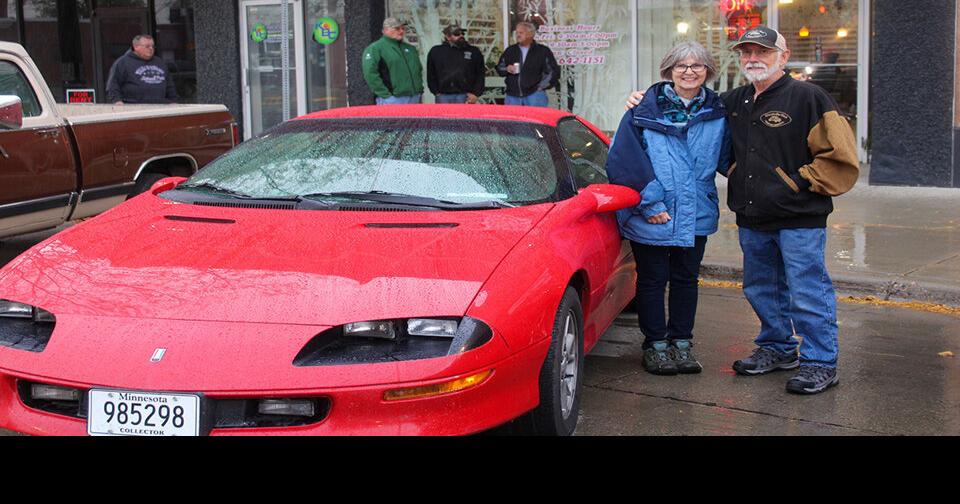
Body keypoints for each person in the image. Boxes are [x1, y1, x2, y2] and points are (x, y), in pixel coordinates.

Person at [626, 27, 859, 394]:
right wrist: (645, 98)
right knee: (762, 289)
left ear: (782, 56)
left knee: (807, 291)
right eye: (747, 52)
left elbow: (841, 157)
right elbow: (687, 104)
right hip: (753, 217)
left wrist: (796, 181)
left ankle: (820, 362)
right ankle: (777, 348)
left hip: (800, 216)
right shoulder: (732, 101)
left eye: (763, 52)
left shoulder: (809, 97)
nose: (754, 58)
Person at [606, 42, 730, 376]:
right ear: (668, 70)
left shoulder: (718, 111)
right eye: (681, 65)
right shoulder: (643, 110)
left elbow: (730, 158)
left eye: (697, 65)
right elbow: (623, 160)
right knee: (651, 281)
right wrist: (650, 203)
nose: (689, 71)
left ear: (708, 71)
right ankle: (655, 345)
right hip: (653, 213)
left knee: (686, 280)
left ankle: (682, 343)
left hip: (696, 214)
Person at [362, 18, 424, 105]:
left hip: (415, 97)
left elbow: (418, 70)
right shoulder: (375, 49)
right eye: (397, 28)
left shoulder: (411, 49)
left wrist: (419, 91)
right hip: (393, 99)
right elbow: (370, 74)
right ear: (386, 30)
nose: (401, 31)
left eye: (403, 28)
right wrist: (386, 95)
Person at [495, 22, 558, 107]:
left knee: (536, 120)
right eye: (517, 33)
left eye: (521, 33)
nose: (518, 35)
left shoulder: (542, 51)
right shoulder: (510, 50)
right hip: (512, 96)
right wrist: (507, 69)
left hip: (535, 95)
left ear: (530, 34)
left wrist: (540, 87)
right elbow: (499, 68)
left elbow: (552, 72)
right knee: (513, 120)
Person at [106, 35, 178, 104]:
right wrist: (117, 101)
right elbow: (113, 85)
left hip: (160, 107)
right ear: (136, 47)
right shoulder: (122, 63)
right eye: (147, 46)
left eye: (153, 46)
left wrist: (173, 101)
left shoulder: (159, 62)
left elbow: (170, 86)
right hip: (134, 108)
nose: (151, 48)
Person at [427, 24, 485, 104]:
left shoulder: (474, 51)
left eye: (462, 33)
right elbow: (431, 74)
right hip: (443, 96)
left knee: (464, 117)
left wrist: (476, 93)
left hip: (466, 95)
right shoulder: (436, 51)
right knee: (444, 116)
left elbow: (480, 74)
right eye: (457, 34)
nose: (461, 36)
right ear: (447, 37)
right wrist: (436, 92)